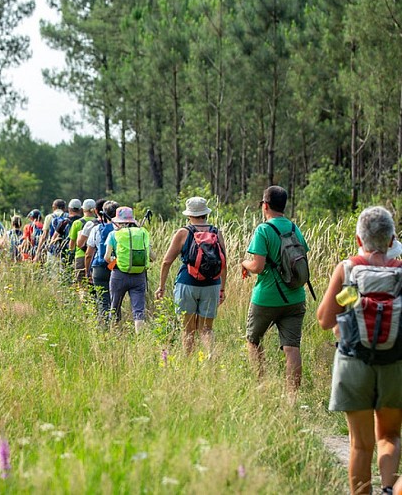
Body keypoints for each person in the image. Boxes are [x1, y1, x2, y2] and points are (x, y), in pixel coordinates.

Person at [317, 206, 402, 495]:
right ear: (391, 240)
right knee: (389, 435)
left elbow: (324, 319)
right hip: (394, 364)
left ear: (358, 239)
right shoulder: (401, 273)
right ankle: (390, 489)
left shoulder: (348, 269)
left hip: (353, 364)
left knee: (360, 445)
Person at [241, 185, 309, 396]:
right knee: (291, 348)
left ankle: (262, 389)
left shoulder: (263, 230)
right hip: (295, 297)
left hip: (267, 298)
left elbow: (258, 266)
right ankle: (292, 398)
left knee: (253, 340)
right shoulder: (293, 228)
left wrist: (244, 264)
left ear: (266, 205)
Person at [156, 197, 226, 354]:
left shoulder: (184, 232)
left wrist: (161, 287)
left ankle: (189, 363)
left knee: (188, 330)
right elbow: (224, 263)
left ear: (189, 215)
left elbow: (166, 261)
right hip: (212, 285)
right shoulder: (216, 232)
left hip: (187, 283)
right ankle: (210, 355)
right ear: (205, 213)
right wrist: (222, 289)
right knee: (207, 329)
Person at [103, 206, 153, 334]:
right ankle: (139, 338)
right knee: (138, 310)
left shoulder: (114, 234)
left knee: (114, 306)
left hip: (119, 275)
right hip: (139, 276)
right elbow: (153, 257)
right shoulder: (141, 233)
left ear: (118, 222)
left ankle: (115, 336)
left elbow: (107, 257)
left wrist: (116, 262)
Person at [85, 200, 115, 326]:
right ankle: (116, 325)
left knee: (103, 300)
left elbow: (88, 253)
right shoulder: (122, 229)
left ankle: (104, 327)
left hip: (99, 268)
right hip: (117, 267)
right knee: (115, 299)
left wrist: (88, 272)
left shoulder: (96, 228)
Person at [70, 199, 98, 283]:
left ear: (83, 209)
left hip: (80, 256)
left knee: (81, 285)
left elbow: (72, 243)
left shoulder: (77, 223)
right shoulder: (98, 222)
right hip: (94, 256)